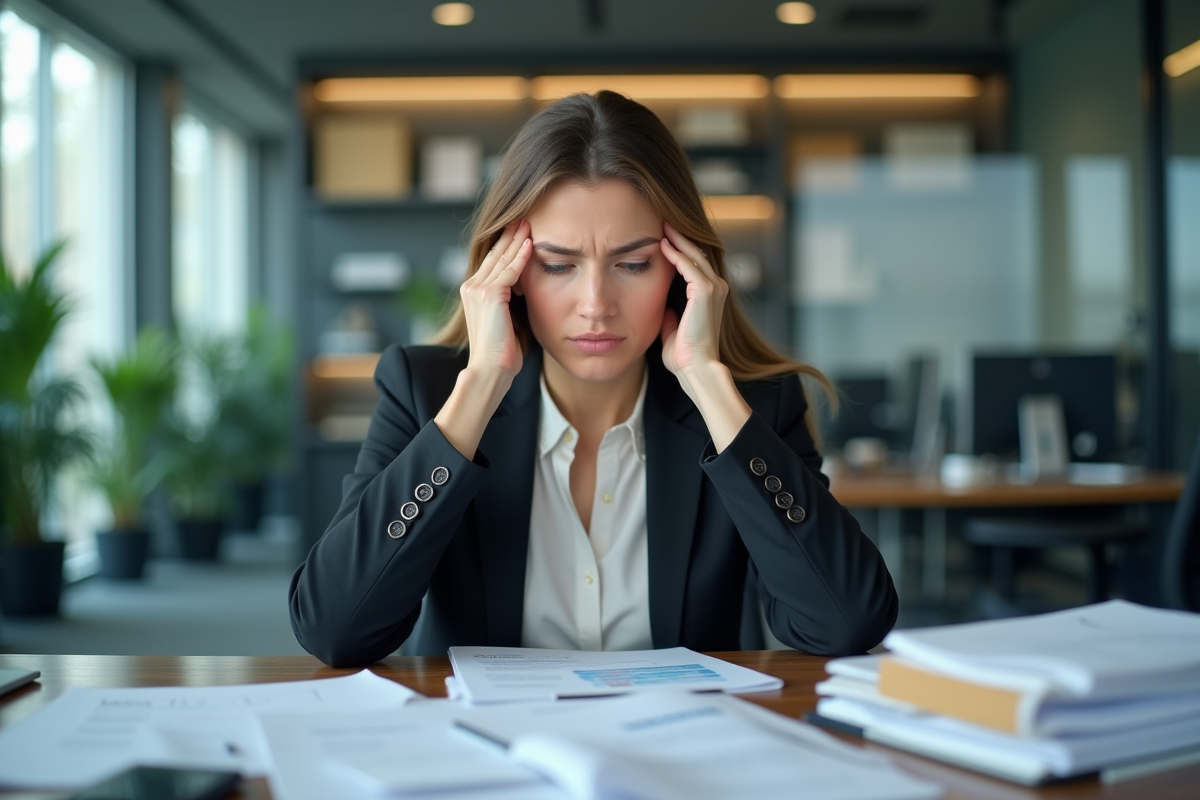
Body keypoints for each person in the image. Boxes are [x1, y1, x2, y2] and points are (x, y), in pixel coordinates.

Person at [289, 91, 896, 668]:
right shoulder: (426, 391)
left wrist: (710, 386)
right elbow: (334, 629)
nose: (596, 303)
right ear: (511, 272)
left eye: (633, 263)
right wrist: (477, 390)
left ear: (686, 272)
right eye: (558, 265)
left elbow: (845, 623)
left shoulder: (750, 407)